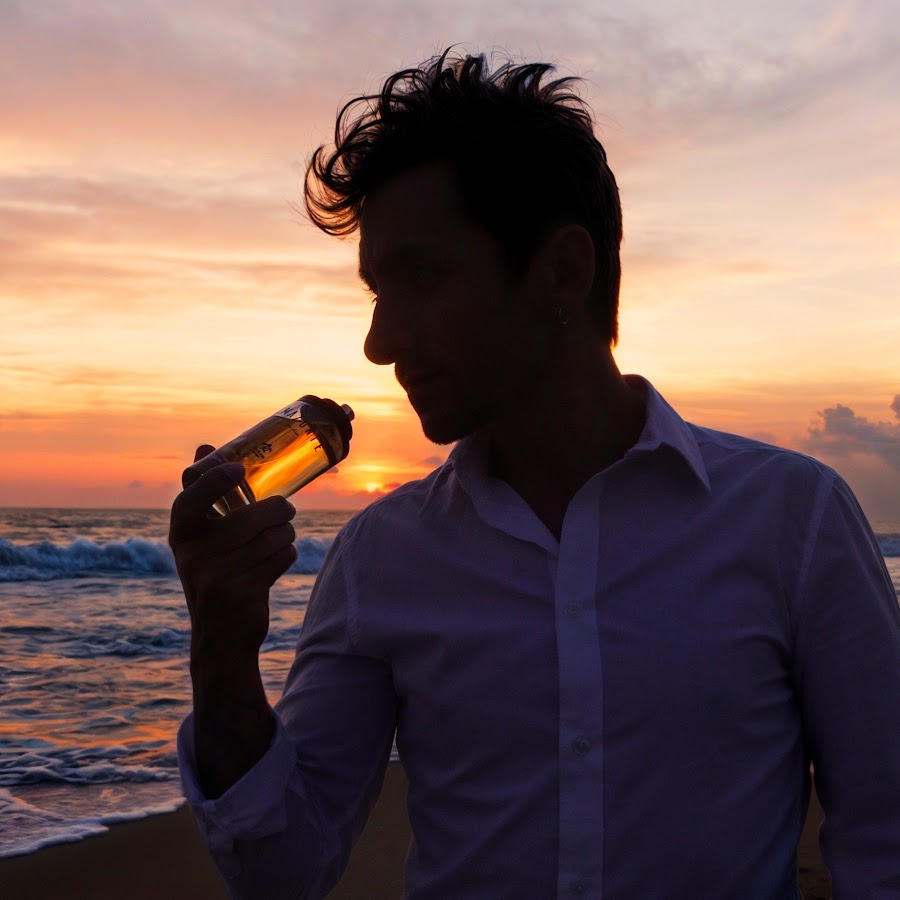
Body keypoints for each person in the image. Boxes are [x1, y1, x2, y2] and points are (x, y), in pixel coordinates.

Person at [170, 49, 900, 898]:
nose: (380, 342)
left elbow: (886, 834)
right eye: (376, 293)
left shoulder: (792, 518)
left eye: (422, 277)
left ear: (562, 271)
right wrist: (220, 649)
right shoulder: (380, 557)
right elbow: (281, 869)